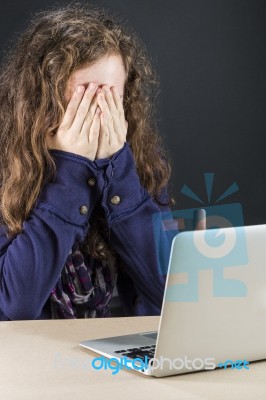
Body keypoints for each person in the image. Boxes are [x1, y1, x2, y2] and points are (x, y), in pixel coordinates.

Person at [0, 3, 177, 321]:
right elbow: (16, 304)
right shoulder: (6, 166)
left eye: (111, 98)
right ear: (42, 102)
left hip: (123, 358)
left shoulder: (141, 162)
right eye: (83, 98)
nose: (99, 113)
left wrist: (118, 171)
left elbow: (172, 293)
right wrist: (69, 168)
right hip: (28, 360)